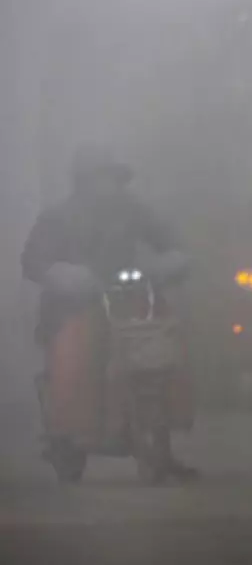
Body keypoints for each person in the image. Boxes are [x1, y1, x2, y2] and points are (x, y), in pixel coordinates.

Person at [21, 145, 197, 480]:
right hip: (74, 306)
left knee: (165, 356)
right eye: (101, 177)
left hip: (129, 299)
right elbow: (33, 261)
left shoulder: (135, 211)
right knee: (75, 360)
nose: (109, 185)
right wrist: (66, 275)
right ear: (83, 181)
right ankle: (72, 427)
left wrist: (167, 264)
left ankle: (162, 445)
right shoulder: (57, 217)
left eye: (114, 177)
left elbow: (173, 243)